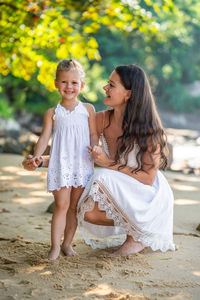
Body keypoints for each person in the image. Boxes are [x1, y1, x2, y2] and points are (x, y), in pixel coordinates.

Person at [23, 64, 175, 256]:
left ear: (128, 94)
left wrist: (106, 163)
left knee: (101, 177)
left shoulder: (150, 131)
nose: (105, 88)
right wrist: (39, 162)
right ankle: (133, 231)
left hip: (148, 193)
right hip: (122, 186)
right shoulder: (101, 119)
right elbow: (72, 153)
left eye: (111, 85)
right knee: (84, 209)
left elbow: (148, 178)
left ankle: (137, 235)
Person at [28, 59, 98, 260]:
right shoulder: (52, 113)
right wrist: (37, 156)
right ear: (56, 84)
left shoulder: (88, 109)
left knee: (75, 207)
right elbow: (44, 138)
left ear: (82, 85)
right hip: (61, 165)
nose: (69, 87)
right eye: (65, 82)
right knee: (61, 204)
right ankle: (54, 247)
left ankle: (67, 244)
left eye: (74, 82)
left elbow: (93, 134)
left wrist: (95, 147)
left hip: (83, 163)